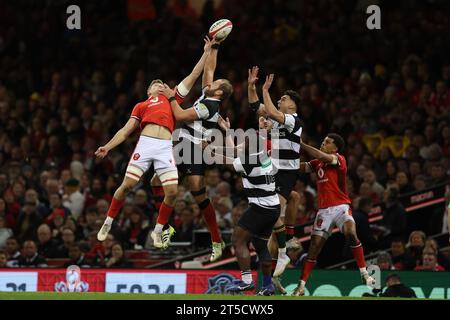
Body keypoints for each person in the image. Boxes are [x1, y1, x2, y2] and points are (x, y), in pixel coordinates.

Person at [95, 37, 214, 250]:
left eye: (161, 82)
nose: (159, 84)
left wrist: (206, 51)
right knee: (127, 186)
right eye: (154, 83)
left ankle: (159, 230)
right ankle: (108, 222)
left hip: (164, 147)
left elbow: (194, 75)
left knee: (172, 192)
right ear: (149, 91)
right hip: (146, 144)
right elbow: (125, 131)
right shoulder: (141, 105)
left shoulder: (173, 98)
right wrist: (108, 146)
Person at [159, 37, 234, 262]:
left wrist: (171, 97)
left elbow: (180, 115)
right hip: (186, 144)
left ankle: (216, 239)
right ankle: (165, 228)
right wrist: (214, 47)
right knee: (158, 182)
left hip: (192, 148)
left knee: (197, 193)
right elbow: (209, 69)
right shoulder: (208, 95)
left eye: (216, 83)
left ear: (219, 93)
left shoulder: (209, 105)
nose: (211, 82)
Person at [292, 134, 375, 296]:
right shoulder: (317, 163)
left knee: (351, 233)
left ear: (335, 148)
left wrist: (301, 144)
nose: (323, 143)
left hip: (341, 207)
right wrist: (280, 159)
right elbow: (300, 167)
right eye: (323, 141)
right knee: (314, 249)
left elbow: (320, 155)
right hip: (324, 211)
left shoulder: (339, 159)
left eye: (327, 142)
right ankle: (301, 286)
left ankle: (364, 273)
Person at [210, 116, 280, 296]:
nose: (243, 142)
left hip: (260, 208)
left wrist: (207, 149)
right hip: (273, 207)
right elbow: (235, 150)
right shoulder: (262, 155)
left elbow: (225, 160)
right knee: (260, 244)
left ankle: (247, 281)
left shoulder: (249, 161)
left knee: (237, 240)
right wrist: (227, 131)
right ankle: (267, 286)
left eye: (246, 141)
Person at [247, 68, 303, 279]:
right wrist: (252, 86)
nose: (281, 99)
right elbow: (255, 106)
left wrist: (265, 90)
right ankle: (280, 252)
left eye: (284, 98)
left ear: (293, 105)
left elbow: (269, 110)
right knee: (270, 218)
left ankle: (283, 253)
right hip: (273, 170)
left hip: (285, 174)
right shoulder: (280, 121)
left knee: (270, 214)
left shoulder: (293, 120)